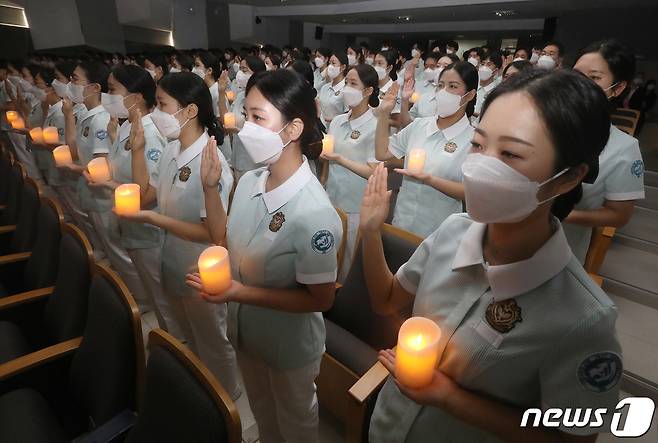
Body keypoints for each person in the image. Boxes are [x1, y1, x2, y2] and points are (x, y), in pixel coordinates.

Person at [363, 68, 620, 443]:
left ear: (566, 178)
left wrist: (449, 397)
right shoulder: (453, 230)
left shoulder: (584, 319)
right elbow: (386, 299)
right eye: (479, 145)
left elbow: (573, 437)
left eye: (511, 153)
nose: (481, 167)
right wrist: (370, 232)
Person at [186, 69, 342, 443]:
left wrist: (236, 292)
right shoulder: (253, 181)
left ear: (292, 130)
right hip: (246, 332)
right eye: (246, 113)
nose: (245, 126)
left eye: (258, 117)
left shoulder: (314, 214)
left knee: (295, 423)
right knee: (261, 409)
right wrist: (210, 189)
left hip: (288, 347)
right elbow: (224, 239)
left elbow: (321, 298)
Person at [118, 71, 241, 400]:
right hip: (170, 259)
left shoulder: (211, 162)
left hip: (200, 267)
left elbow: (212, 233)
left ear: (189, 111)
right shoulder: (173, 149)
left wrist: (155, 220)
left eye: (162, 104)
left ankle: (226, 399)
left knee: (213, 339)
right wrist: (138, 150)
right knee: (187, 332)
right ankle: (201, 386)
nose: (155, 112)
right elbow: (146, 194)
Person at [91, 65, 181, 340]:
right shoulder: (129, 125)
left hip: (149, 230)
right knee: (152, 290)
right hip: (133, 224)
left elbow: (148, 193)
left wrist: (111, 185)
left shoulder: (151, 132)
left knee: (162, 296)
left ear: (137, 96)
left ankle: (175, 344)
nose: (108, 95)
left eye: (114, 89)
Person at [375, 61, 478, 238]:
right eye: (440, 85)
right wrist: (384, 113)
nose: (444, 91)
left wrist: (430, 179)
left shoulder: (473, 139)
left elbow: (470, 192)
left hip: (438, 233)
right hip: (402, 222)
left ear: (469, 95)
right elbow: (382, 153)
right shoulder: (419, 126)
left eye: (453, 86)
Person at [565, 39, 645, 262]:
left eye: (594, 77)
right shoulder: (541, 124)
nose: (580, 84)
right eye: (576, 74)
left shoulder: (623, 149)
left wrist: (560, 215)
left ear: (617, 88)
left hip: (562, 249)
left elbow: (618, 215)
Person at [321, 64, 380, 280]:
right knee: (327, 253)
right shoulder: (337, 121)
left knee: (347, 260)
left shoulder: (375, 125)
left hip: (355, 203)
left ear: (368, 91)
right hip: (331, 198)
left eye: (353, 84)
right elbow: (328, 155)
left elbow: (373, 172)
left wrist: (341, 159)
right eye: (346, 82)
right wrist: (323, 179)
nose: (347, 88)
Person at [58, 60, 113, 259]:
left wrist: (74, 168)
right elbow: (73, 151)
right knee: (102, 241)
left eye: (75, 79)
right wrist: (68, 115)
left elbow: (101, 166)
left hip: (102, 196)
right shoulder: (85, 113)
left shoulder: (101, 119)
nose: (71, 84)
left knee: (113, 247)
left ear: (95, 87)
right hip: (89, 190)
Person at [218, 55, 267, 180]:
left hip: (255, 161)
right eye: (239, 69)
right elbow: (226, 118)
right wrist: (221, 92)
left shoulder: (265, 100)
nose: (239, 73)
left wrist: (239, 131)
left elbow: (263, 134)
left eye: (244, 70)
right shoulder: (240, 96)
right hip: (238, 154)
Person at [399, 53, 460, 127]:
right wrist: (405, 100)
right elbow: (407, 123)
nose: (440, 69)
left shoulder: (458, 99)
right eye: (438, 66)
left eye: (445, 66)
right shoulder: (424, 97)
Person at [318, 53, 348, 127]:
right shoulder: (325, 87)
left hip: (337, 128)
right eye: (329, 63)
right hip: (321, 128)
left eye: (333, 63)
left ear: (343, 67)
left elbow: (348, 115)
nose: (330, 66)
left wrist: (333, 120)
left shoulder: (346, 89)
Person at [474, 51, 503, 117]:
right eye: (482, 64)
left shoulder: (497, 91)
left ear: (496, 71)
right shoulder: (472, 84)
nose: (484, 67)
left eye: (489, 65)